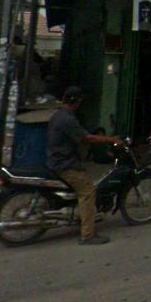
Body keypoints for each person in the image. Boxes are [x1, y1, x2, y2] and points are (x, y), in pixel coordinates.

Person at [46, 86, 122, 245]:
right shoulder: (67, 119)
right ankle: (88, 235)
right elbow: (87, 138)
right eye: (80, 100)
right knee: (88, 192)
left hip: (57, 160)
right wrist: (111, 140)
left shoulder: (59, 115)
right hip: (65, 164)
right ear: (77, 101)